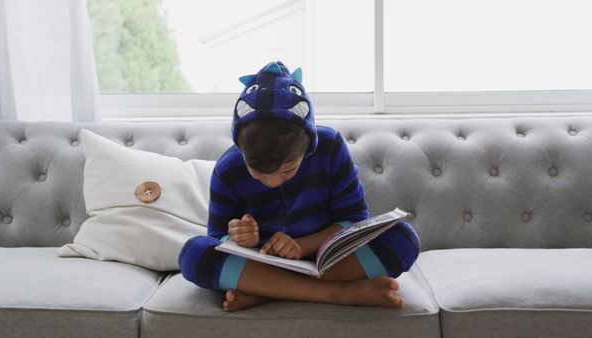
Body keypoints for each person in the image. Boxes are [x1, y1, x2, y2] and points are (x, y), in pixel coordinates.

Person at [178, 61, 420, 312]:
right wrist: (239, 238)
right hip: (263, 264)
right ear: (241, 150)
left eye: (287, 171)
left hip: (327, 258)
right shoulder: (227, 169)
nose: (273, 182)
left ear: (308, 147)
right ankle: (338, 293)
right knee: (193, 254)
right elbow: (216, 239)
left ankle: (270, 292)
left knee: (403, 239)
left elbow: (354, 218)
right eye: (259, 174)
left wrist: (303, 246)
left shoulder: (329, 147)